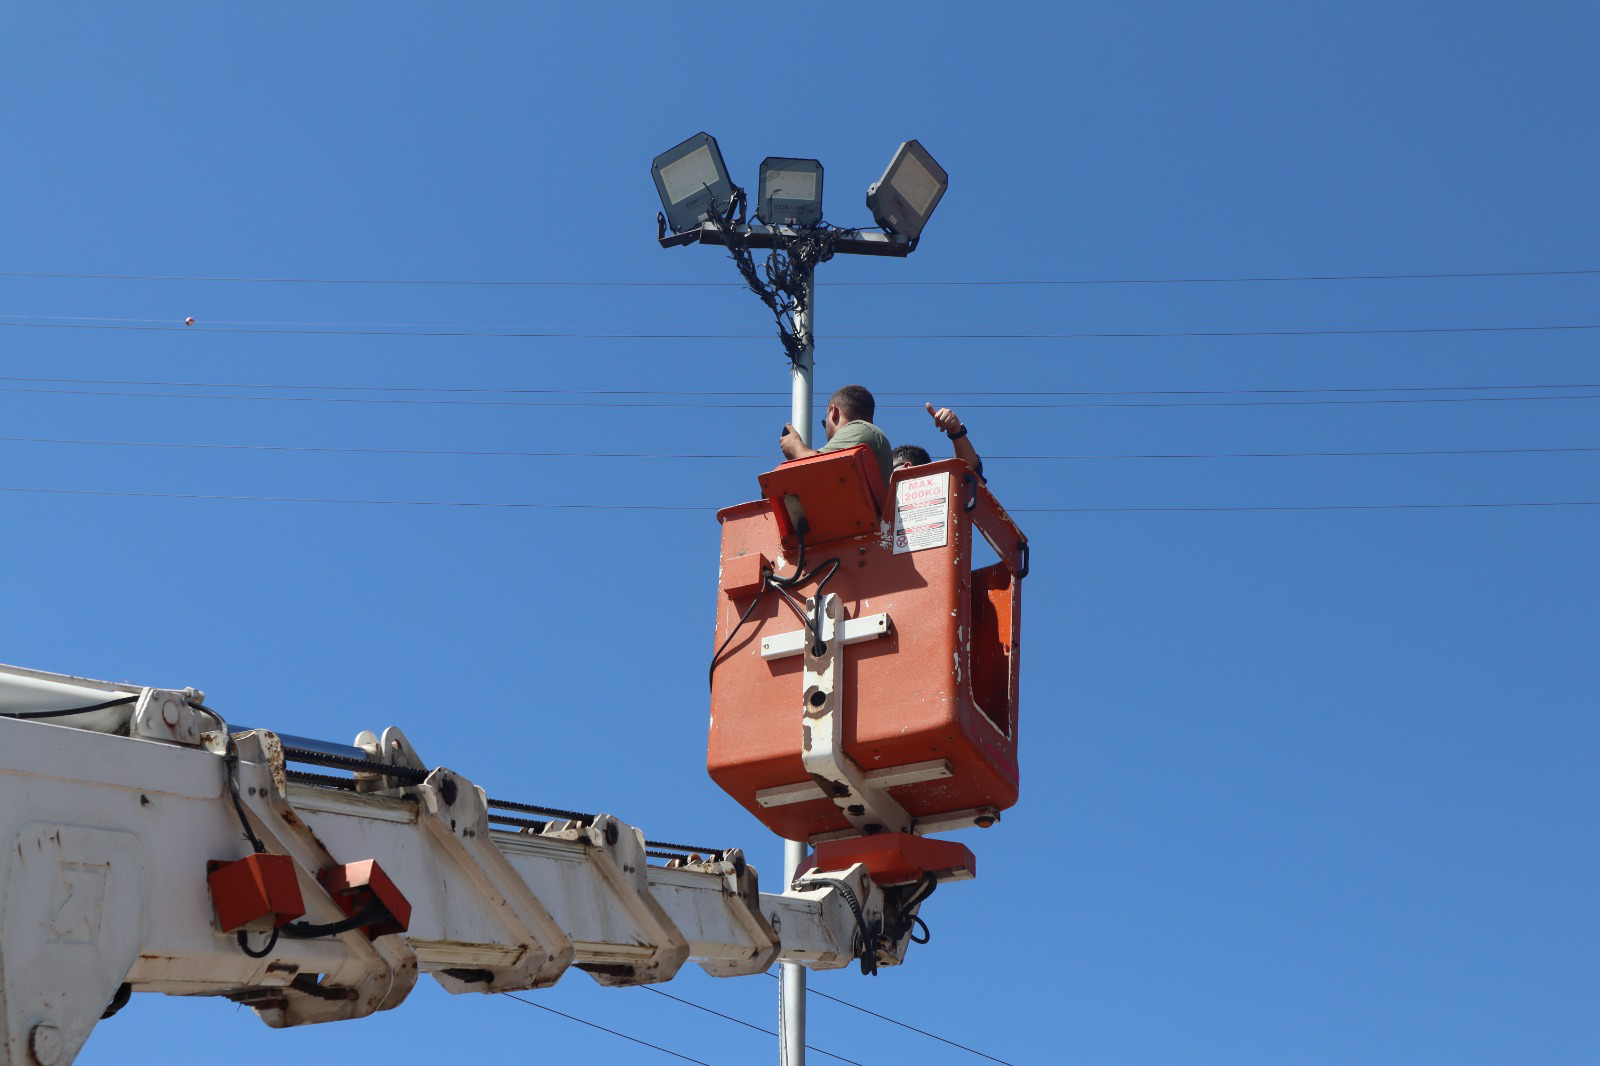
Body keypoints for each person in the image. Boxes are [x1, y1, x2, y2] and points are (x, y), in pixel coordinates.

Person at [780, 384, 894, 488]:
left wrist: (795, 446)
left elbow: (816, 464)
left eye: (825, 421)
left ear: (834, 412)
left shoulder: (862, 429)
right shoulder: (872, 437)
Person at [891, 402, 984, 481]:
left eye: (888, 470)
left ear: (907, 467)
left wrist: (956, 432)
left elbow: (969, 474)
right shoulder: (882, 500)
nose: (883, 477)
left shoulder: (942, 498)